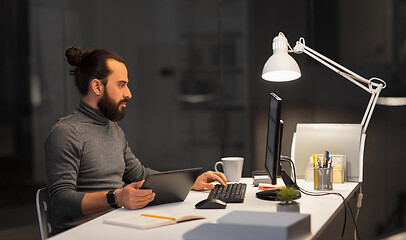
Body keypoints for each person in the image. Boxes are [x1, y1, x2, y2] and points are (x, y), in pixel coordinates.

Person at [45, 46, 227, 235]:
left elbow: (139, 174)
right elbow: (60, 201)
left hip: (116, 225)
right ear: (97, 86)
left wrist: (188, 182)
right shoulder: (66, 132)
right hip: (83, 233)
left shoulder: (113, 130)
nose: (129, 93)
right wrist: (116, 198)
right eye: (121, 84)